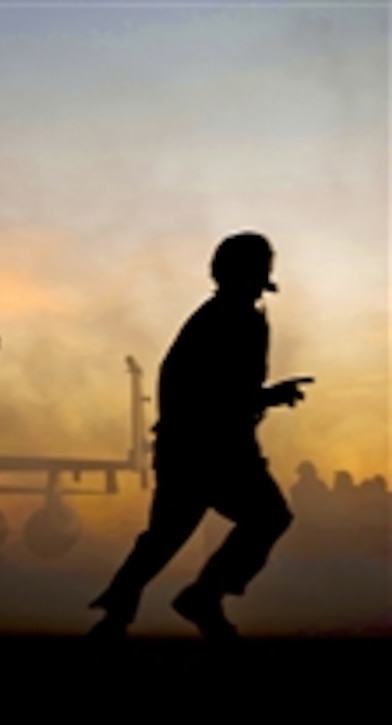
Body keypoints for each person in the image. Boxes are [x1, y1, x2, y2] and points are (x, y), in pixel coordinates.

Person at [87, 232, 311, 638]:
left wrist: (258, 399)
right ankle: (202, 596)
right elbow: (217, 393)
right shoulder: (233, 320)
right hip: (215, 450)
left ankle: (120, 610)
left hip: (192, 447)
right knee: (266, 517)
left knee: (167, 534)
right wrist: (267, 396)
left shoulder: (217, 316)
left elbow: (206, 390)